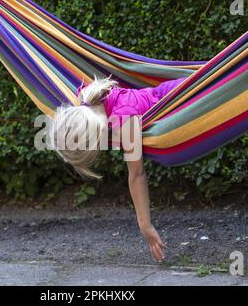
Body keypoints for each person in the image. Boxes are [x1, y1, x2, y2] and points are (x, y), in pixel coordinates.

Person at [47, 75, 186, 262]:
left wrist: (145, 225)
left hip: (182, 100)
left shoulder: (124, 119)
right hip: (176, 90)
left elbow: (137, 174)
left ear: (99, 136)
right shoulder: (86, 99)